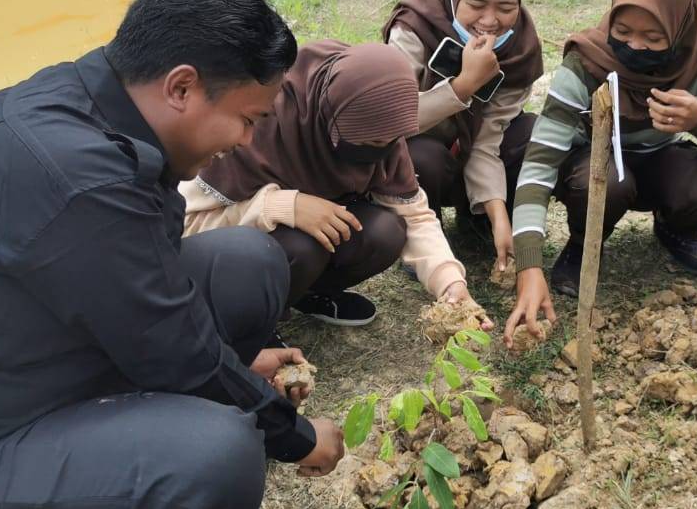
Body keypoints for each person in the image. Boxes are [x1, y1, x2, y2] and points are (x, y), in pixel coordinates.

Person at [0, 0, 347, 509]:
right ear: (181, 86)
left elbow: (147, 295)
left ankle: (115, 453)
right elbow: (175, 348)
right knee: (221, 459)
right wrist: (296, 437)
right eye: (246, 120)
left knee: (245, 261)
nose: (248, 142)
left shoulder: (91, 98)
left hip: (38, 347)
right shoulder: (76, 179)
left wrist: (234, 366)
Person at [505, 0, 697, 343]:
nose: (635, 46)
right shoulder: (587, 60)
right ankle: (585, 243)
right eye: (623, 32)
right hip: (596, 164)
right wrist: (529, 265)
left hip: (661, 158)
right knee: (606, 181)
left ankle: (676, 230)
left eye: (653, 37)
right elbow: (540, 162)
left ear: (681, 22)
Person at [181, 41, 492, 330]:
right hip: (247, 244)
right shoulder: (262, 121)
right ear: (332, 118)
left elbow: (415, 216)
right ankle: (253, 324)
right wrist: (283, 206)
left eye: (389, 140)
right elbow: (189, 225)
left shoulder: (382, 126)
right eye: (370, 140)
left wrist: (451, 284)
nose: (381, 149)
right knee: (298, 249)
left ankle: (307, 294)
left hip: (309, 230)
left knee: (385, 230)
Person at [384, 0, 545, 276]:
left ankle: (479, 222)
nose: (490, 21)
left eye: (506, 7)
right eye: (476, 5)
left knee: (530, 135)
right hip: (424, 155)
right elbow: (392, 120)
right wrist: (464, 86)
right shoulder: (413, 29)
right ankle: (419, 231)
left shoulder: (520, 50)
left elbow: (488, 141)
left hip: (470, 156)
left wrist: (500, 216)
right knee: (421, 154)